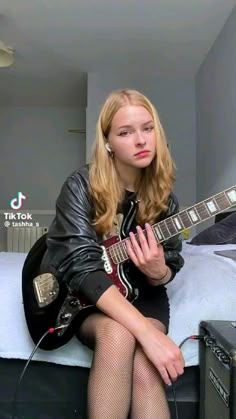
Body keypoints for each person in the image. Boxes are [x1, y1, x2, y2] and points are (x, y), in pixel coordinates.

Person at [40, 88, 185, 419]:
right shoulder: (81, 185)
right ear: (108, 143)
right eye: (125, 132)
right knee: (119, 336)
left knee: (146, 366)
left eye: (148, 128)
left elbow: (171, 265)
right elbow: (81, 267)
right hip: (91, 298)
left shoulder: (166, 199)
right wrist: (147, 333)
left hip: (144, 296)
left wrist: (157, 270)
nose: (140, 140)